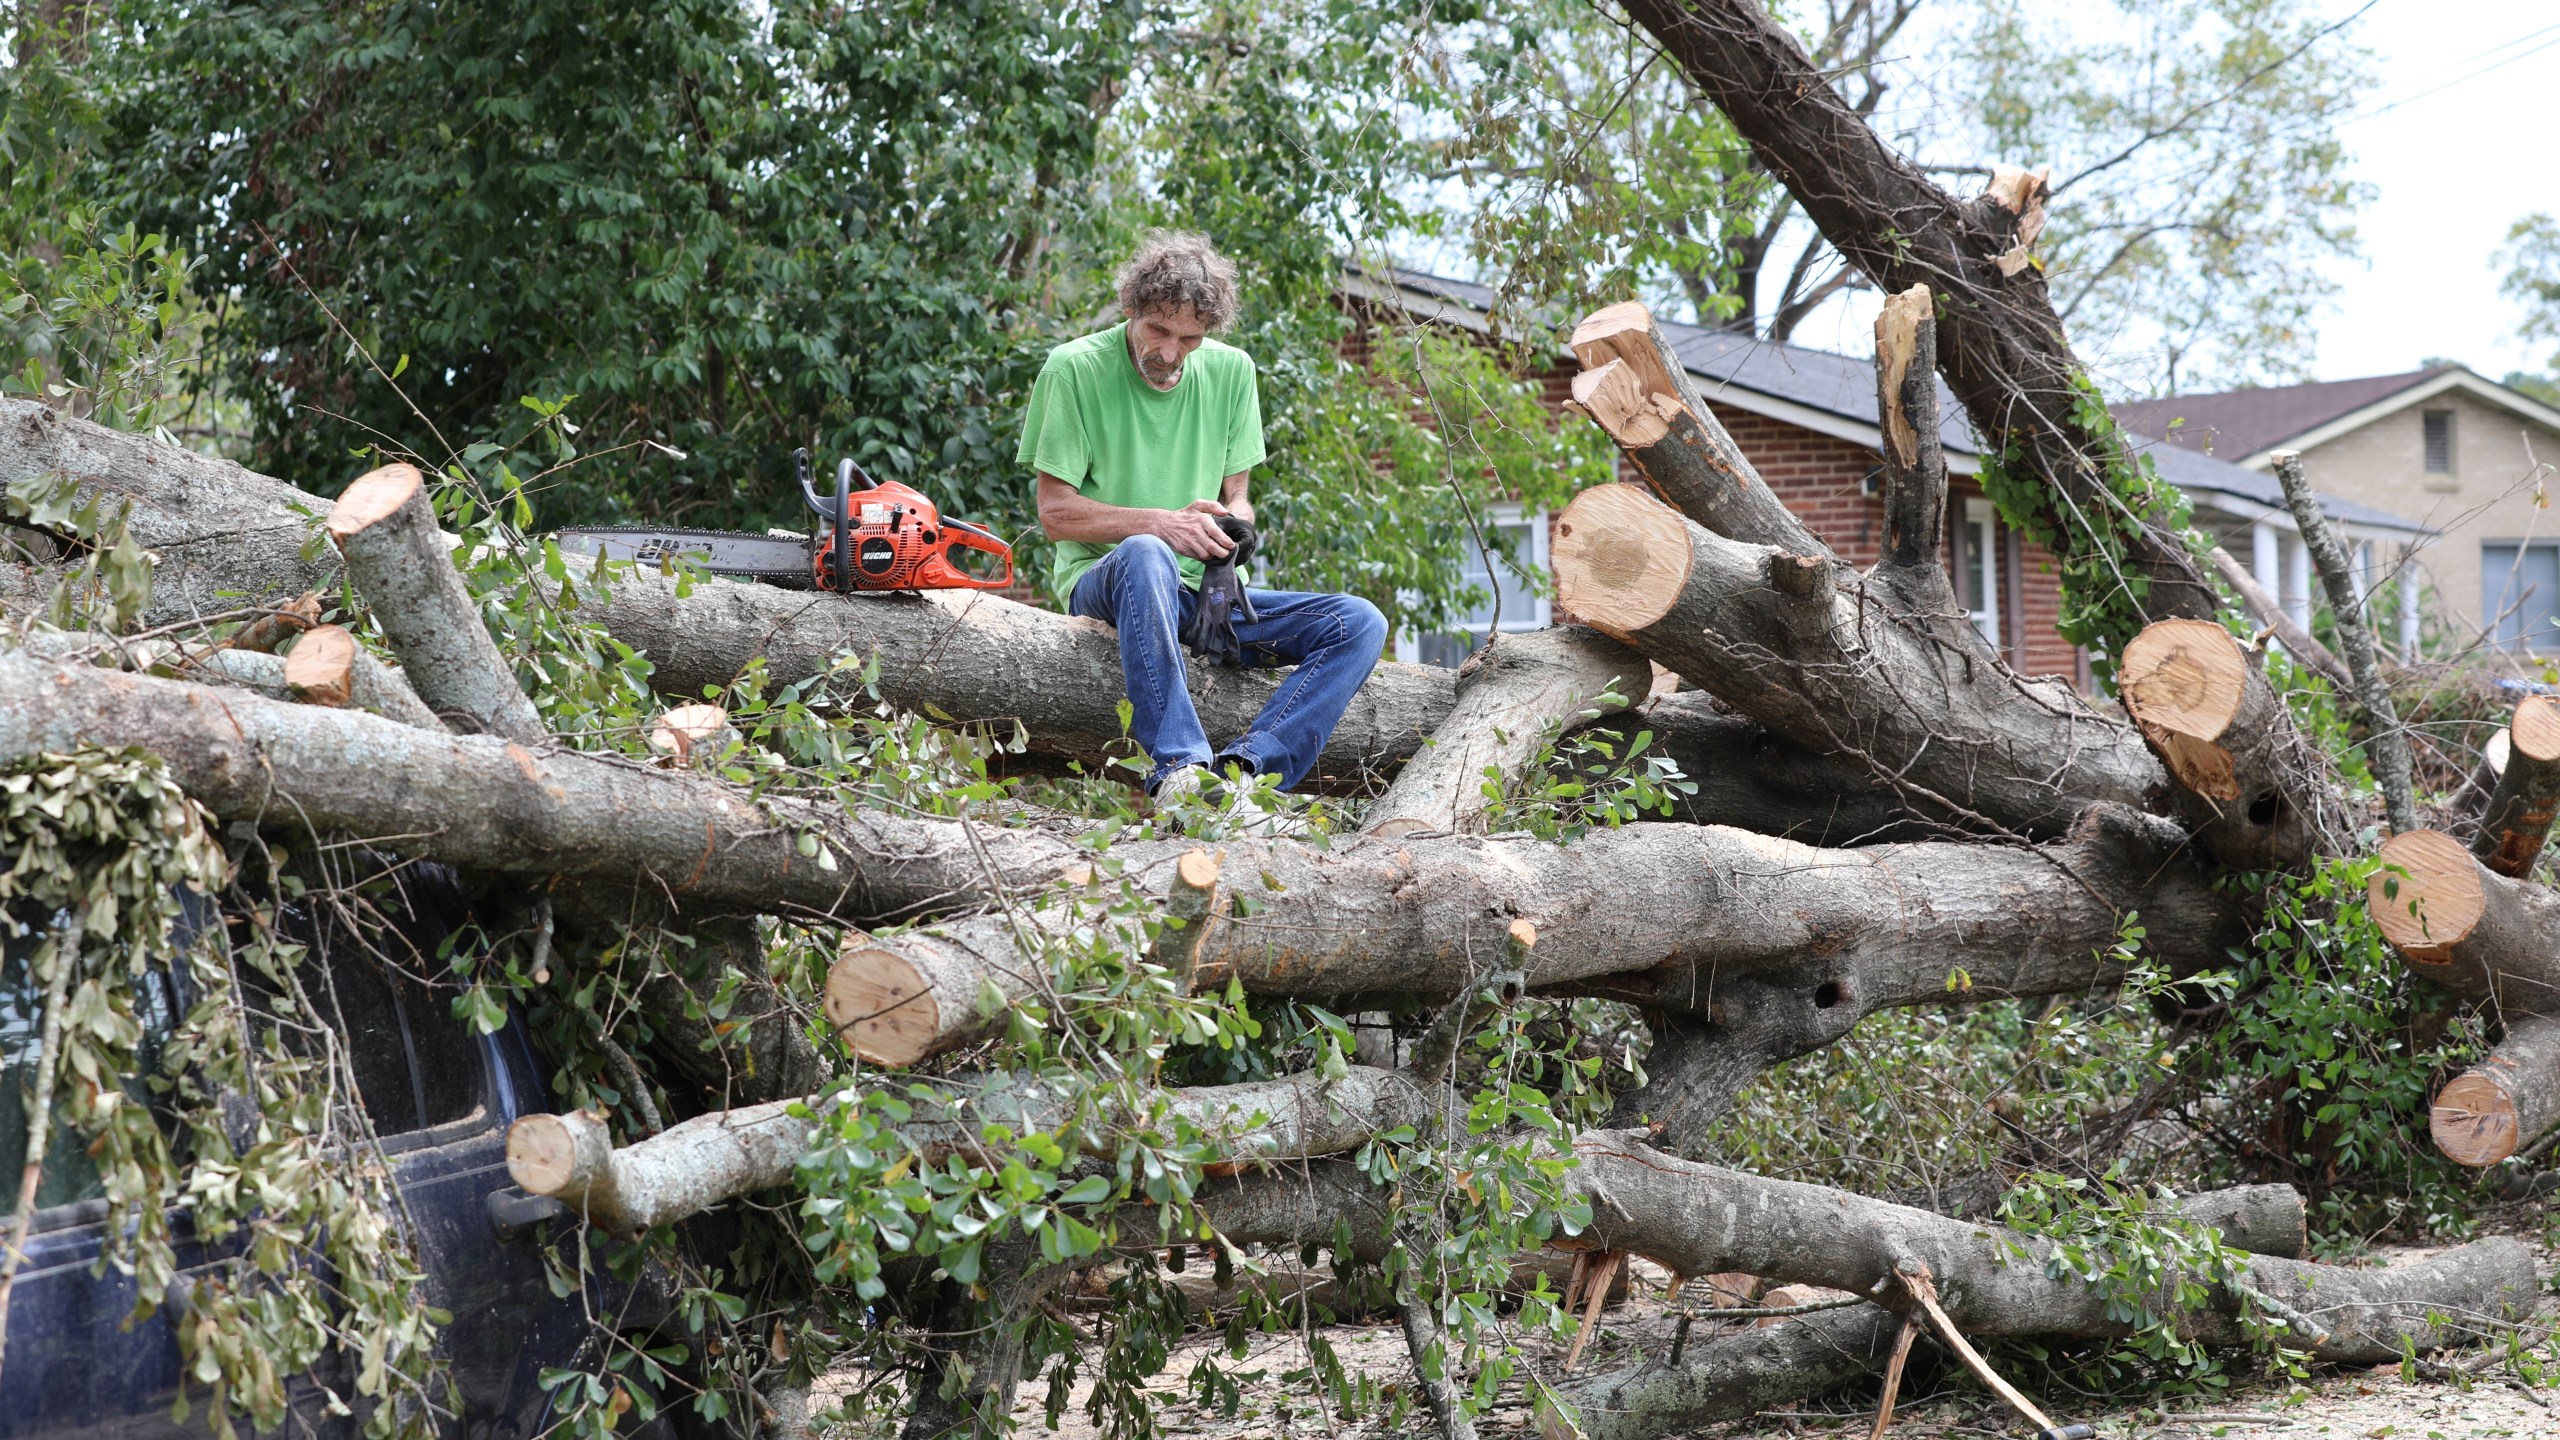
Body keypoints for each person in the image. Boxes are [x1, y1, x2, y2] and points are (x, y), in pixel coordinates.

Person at [1019, 232, 1386, 814]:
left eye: (1189, 338)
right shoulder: (1074, 370)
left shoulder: (1233, 373)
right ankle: (1179, 771)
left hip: (1200, 600)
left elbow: (1239, 497)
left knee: (1358, 622)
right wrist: (1161, 525)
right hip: (1109, 586)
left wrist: (1232, 529)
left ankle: (1244, 775)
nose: (1170, 353)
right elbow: (1055, 515)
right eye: (1157, 332)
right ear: (1131, 310)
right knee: (1146, 552)